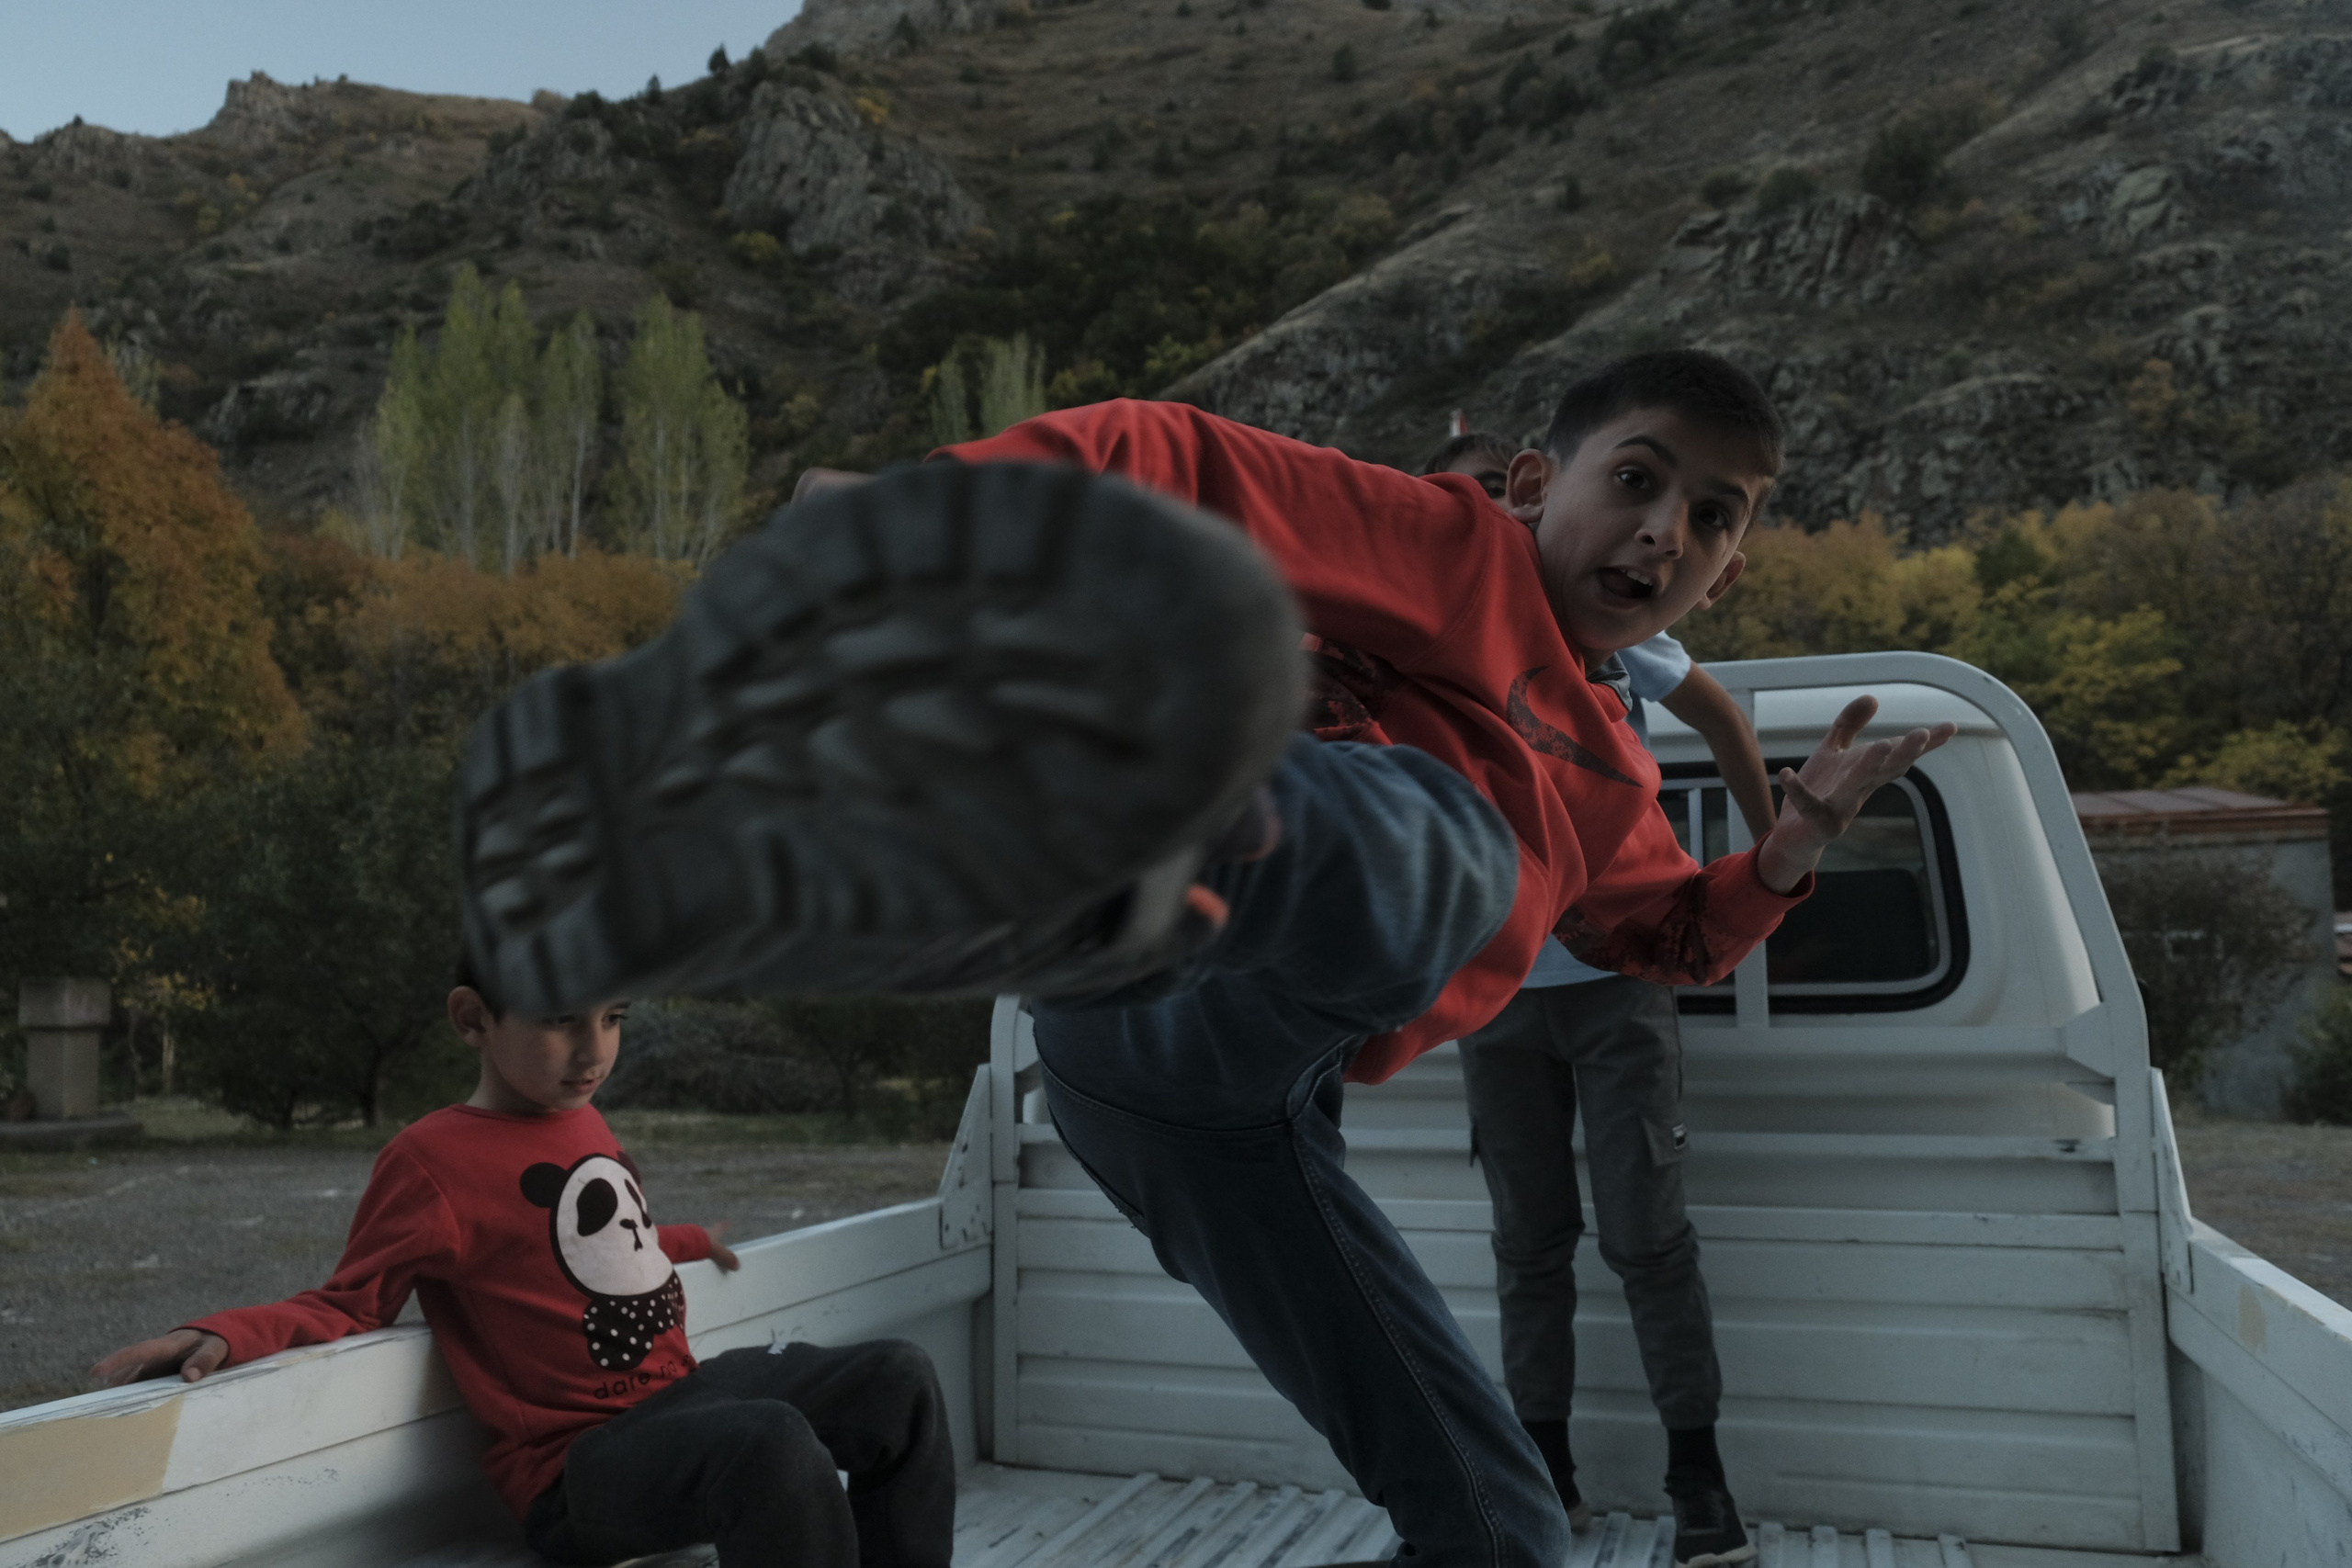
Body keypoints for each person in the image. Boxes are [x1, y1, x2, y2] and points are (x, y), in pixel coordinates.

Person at [451, 350, 1953, 1568]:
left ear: (1733, 565)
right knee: (1440, 844)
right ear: (1527, 485)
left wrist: (1792, 846)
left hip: (1239, 1103)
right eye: (1638, 482)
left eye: (1711, 517)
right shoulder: (1444, 551)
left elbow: (1671, 938)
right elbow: (1171, 460)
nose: (1662, 534)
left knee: (1504, 1524)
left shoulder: (1618, 783)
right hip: (1180, 986)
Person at [90, 963, 956, 1568]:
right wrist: (224, 1331)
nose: (593, 1050)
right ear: (473, 1018)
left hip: (681, 1402)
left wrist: (688, 1240)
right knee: (769, 1441)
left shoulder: (580, 1114)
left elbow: (603, 1249)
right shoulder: (431, 1158)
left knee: (898, 1377)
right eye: (559, 1020)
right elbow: (351, 1300)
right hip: (578, 1468)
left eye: (613, 1017)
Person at [1423, 428, 1777, 1551]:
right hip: (1496, 992)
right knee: (1527, 1243)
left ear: (1527, 498)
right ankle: (1547, 1474)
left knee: (1646, 1238)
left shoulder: (1604, 637)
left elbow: (1721, 717)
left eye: (1491, 494)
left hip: (1619, 983)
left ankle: (1698, 1486)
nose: (1479, 516)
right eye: (1457, 497)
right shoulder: (1430, 637)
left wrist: (1779, 864)